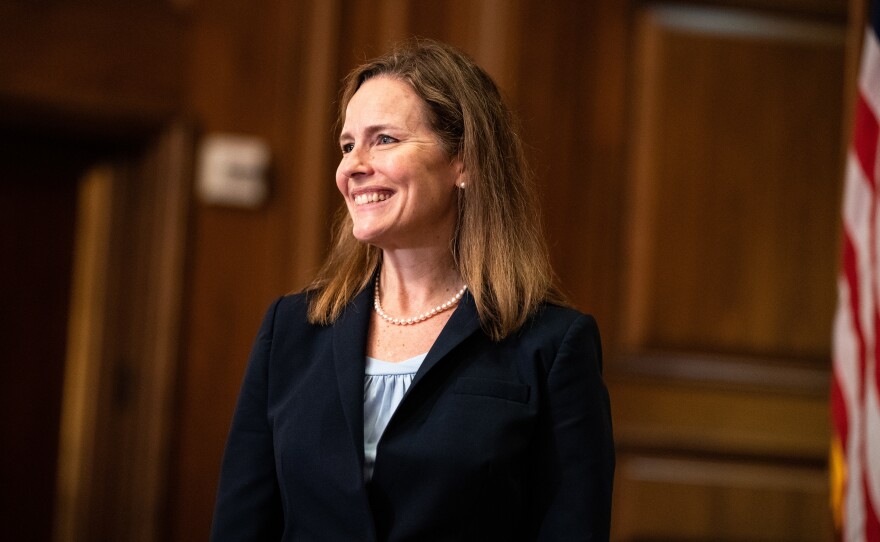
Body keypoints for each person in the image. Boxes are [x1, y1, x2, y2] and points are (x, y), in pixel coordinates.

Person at [210, 38, 614, 541]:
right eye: (347, 145)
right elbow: (241, 526)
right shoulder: (290, 330)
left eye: (384, 140)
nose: (353, 166)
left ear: (462, 161)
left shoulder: (553, 344)